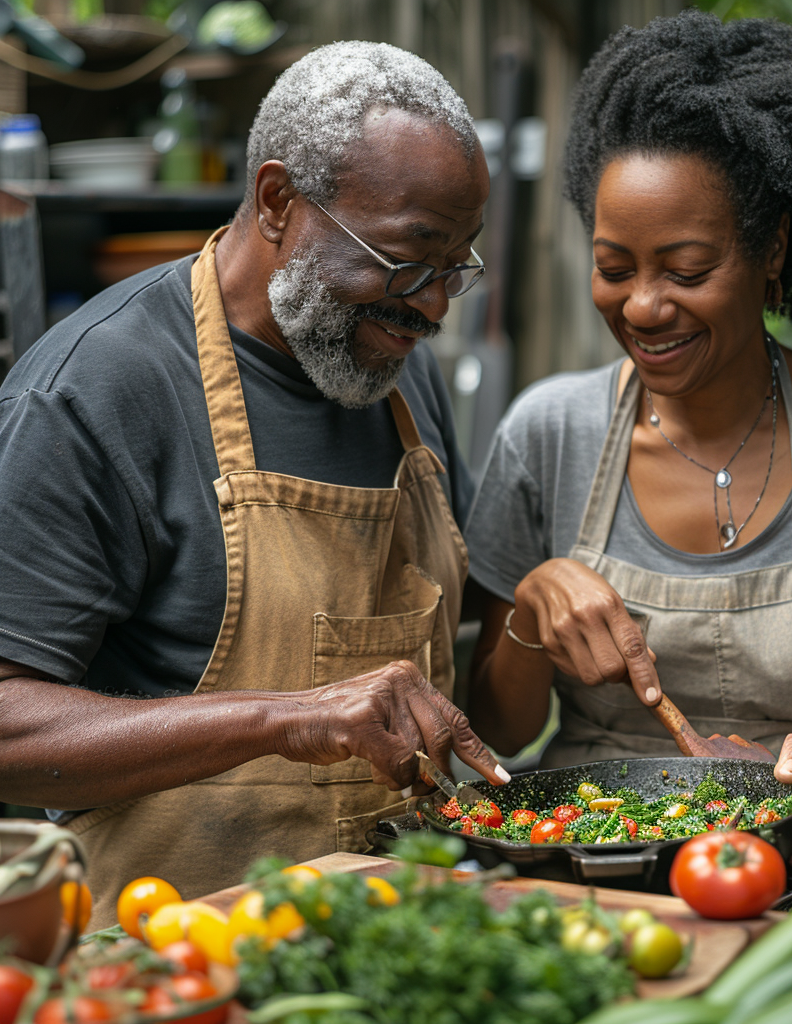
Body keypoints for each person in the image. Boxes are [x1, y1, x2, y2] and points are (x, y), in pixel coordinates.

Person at [0, 41, 510, 927]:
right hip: (171, 959)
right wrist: (288, 717)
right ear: (278, 202)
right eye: (406, 259)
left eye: (455, 268)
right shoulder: (95, 391)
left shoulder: (391, 369)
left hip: (394, 941)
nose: (430, 308)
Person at [464, 11, 792, 799]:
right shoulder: (548, 435)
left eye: (686, 270)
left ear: (773, 249)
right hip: (594, 867)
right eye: (615, 267)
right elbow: (493, 731)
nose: (644, 306)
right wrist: (528, 612)